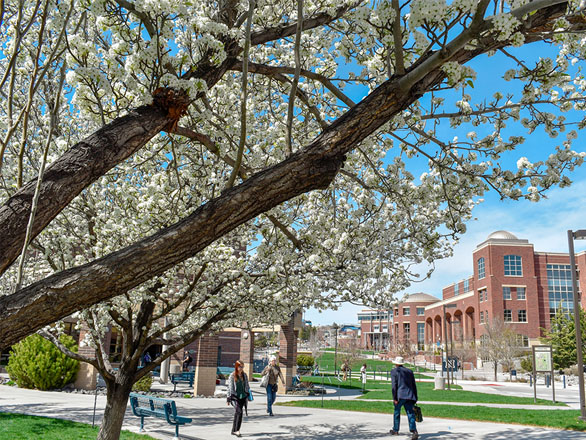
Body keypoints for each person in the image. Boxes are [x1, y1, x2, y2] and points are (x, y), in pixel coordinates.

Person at [390, 356, 419, 440]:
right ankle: (414, 431)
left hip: (400, 396)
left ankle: (396, 430)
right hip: (410, 395)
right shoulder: (409, 371)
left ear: (396, 363)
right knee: (410, 414)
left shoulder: (394, 371)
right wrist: (415, 397)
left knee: (397, 413)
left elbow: (394, 386)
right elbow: (414, 385)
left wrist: (394, 398)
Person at [227, 360, 250, 437]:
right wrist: (228, 398)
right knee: (239, 412)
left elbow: (247, 385)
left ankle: (233, 430)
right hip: (235, 397)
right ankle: (237, 430)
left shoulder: (244, 375)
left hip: (243, 396)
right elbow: (229, 388)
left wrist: (248, 394)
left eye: (242, 366)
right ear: (236, 366)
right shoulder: (232, 376)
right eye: (240, 366)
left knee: (237, 413)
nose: (241, 368)